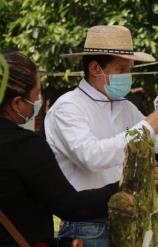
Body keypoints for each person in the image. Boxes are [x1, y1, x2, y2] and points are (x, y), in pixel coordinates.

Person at [44, 25, 158, 246]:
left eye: (130, 69)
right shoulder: (68, 107)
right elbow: (91, 156)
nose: (128, 76)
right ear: (96, 68)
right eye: (122, 69)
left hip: (128, 218)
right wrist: (145, 127)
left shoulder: (124, 106)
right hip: (88, 225)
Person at [0, 51, 125, 247]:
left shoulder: (124, 106)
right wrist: (123, 187)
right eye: (37, 94)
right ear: (16, 103)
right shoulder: (25, 146)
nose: (39, 100)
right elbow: (72, 206)